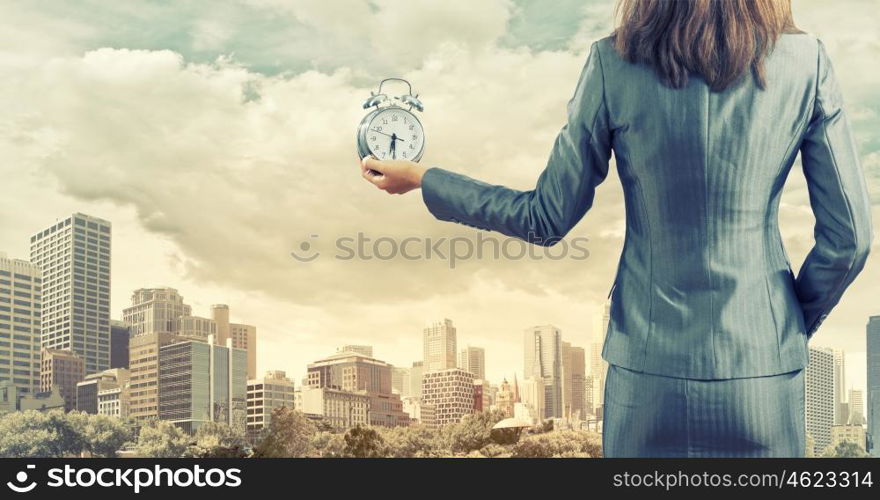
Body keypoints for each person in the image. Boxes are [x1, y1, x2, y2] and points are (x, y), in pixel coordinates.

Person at [358, 0, 872, 457]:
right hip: (763, 373)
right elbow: (849, 241)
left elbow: (544, 217)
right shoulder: (808, 63)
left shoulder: (612, 62)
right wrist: (783, 326)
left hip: (645, 378)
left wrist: (426, 179)